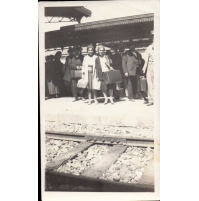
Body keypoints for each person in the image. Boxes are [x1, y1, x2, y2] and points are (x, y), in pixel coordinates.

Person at [142, 35, 154, 106]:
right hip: (150, 67)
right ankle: (151, 99)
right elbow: (145, 58)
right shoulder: (149, 48)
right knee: (150, 84)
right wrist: (144, 69)